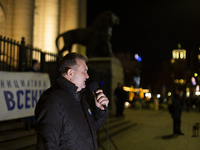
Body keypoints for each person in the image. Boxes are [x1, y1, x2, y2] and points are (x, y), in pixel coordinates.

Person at [35, 53, 109, 149]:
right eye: (84, 72)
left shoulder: (78, 97)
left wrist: (100, 110)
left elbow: (89, 129)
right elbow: (47, 145)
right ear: (70, 73)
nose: (87, 76)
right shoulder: (52, 100)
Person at [25, 59, 41, 130]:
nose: (39, 65)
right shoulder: (28, 70)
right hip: (29, 92)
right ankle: (27, 124)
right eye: (38, 63)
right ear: (35, 64)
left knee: (33, 108)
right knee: (28, 109)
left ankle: (32, 123)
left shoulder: (38, 72)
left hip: (35, 92)